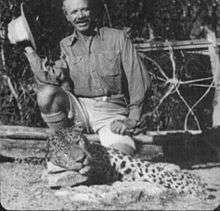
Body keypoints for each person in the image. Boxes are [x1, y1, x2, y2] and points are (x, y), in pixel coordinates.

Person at [8, 0, 150, 156]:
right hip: (79, 110)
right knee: (46, 94)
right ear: (67, 16)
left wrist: (132, 119)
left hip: (111, 112)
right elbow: (49, 79)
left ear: (92, 11)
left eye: (84, 10)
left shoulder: (117, 38)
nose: (80, 16)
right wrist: (28, 49)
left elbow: (138, 78)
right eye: (74, 12)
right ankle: (66, 143)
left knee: (120, 159)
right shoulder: (65, 45)